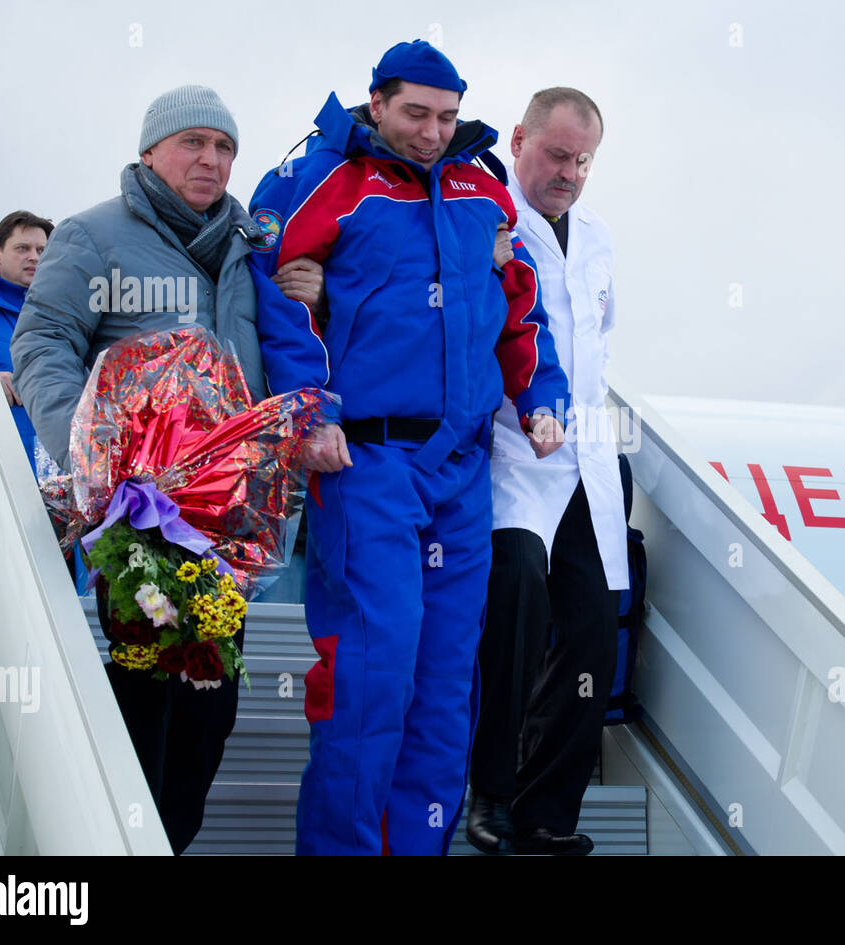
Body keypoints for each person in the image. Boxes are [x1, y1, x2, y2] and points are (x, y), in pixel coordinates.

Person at [248, 39, 570, 856]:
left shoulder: (484, 190)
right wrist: (308, 411)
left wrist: (541, 396)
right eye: (416, 115)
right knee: (370, 673)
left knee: (442, 688)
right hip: (364, 461)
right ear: (379, 102)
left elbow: (520, 302)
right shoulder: (323, 179)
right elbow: (280, 300)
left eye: (448, 117)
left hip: (460, 471)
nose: (432, 133)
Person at [10, 85, 323, 854]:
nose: (211, 161)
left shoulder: (250, 248)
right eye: (193, 143)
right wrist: (93, 461)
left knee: (210, 708)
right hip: (136, 519)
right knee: (147, 689)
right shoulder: (91, 236)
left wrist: (310, 289)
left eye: (224, 149)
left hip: (228, 521)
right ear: (150, 150)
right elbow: (41, 344)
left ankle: (165, 842)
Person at [467, 88, 629, 856]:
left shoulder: (597, 237)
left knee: (595, 635)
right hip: (511, 453)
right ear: (520, 138)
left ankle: (545, 813)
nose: (569, 172)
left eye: (583, 160)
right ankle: (488, 792)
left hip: (586, 460)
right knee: (518, 596)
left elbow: (601, 343)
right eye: (557, 154)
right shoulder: (487, 216)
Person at [0, 210, 53, 465]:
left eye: (41, 250)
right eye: (22, 248)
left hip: (58, 472)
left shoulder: (66, 313)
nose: (33, 257)